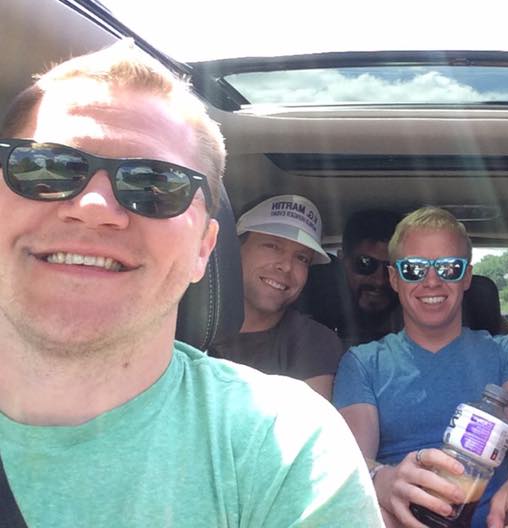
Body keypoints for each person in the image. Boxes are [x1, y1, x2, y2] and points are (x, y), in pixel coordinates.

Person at [0, 41, 382, 526]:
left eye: (154, 186)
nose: (93, 207)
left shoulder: (285, 440)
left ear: (205, 249)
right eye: (46, 168)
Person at [334, 207, 508, 528]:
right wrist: (383, 479)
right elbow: (354, 458)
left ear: (466, 277)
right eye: (414, 269)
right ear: (394, 279)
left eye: (449, 268)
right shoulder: (362, 363)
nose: (431, 281)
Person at [209, 194, 344, 400]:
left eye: (301, 258)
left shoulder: (312, 341)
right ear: (234, 248)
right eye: (272, 246)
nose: (287, 266)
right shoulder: (185, 323)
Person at [337, 209, 404, 347]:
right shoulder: (316, 318)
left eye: (391, 268)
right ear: (342, 260)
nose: (379, 281)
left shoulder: (421, 322)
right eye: (365, 264)